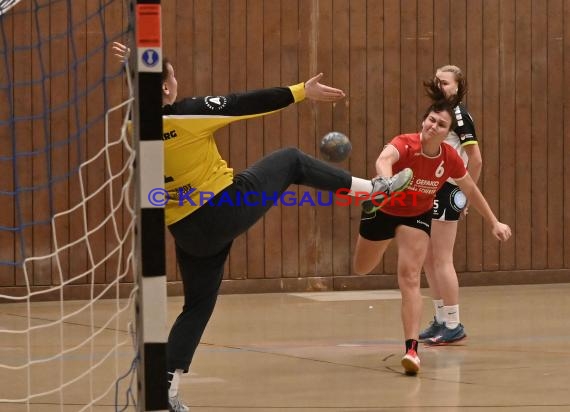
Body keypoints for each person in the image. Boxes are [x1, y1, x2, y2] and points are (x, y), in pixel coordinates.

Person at [113, 42, 413, 411]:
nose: (176, 81)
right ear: (164, 86)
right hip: (223, 209)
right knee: (290, 160)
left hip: (186, 231)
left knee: (197, 306)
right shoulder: (186, 114)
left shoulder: (131, 128)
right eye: (171, 75)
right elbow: (245, 102)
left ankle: (167, 388)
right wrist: (303, 91)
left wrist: (138, 60)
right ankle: (374, 190)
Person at [353, 79, 511, 376]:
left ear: (447, 132)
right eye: (430, 120)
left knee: (410, 276)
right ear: (423, 121)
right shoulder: (405, 143)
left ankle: (412, 350)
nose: (433, 126)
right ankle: (380, 239)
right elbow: (384, 158)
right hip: (384, 209)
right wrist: (385, 181)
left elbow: (471, 191)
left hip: (416, 215)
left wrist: (493, 221)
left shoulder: (449, 158)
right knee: (362, 267)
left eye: (440, 124)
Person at [419, 65, 482, 345]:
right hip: (431, 186)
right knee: (428, 259)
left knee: (443, 259)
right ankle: (441, 319)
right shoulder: (437, 113)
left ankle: (454, 324)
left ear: (458, 86)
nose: (440, 86)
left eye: (445, 82)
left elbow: (476, 159)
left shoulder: (459, 114)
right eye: (437, 81)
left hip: (449, 189)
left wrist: (466, 195)